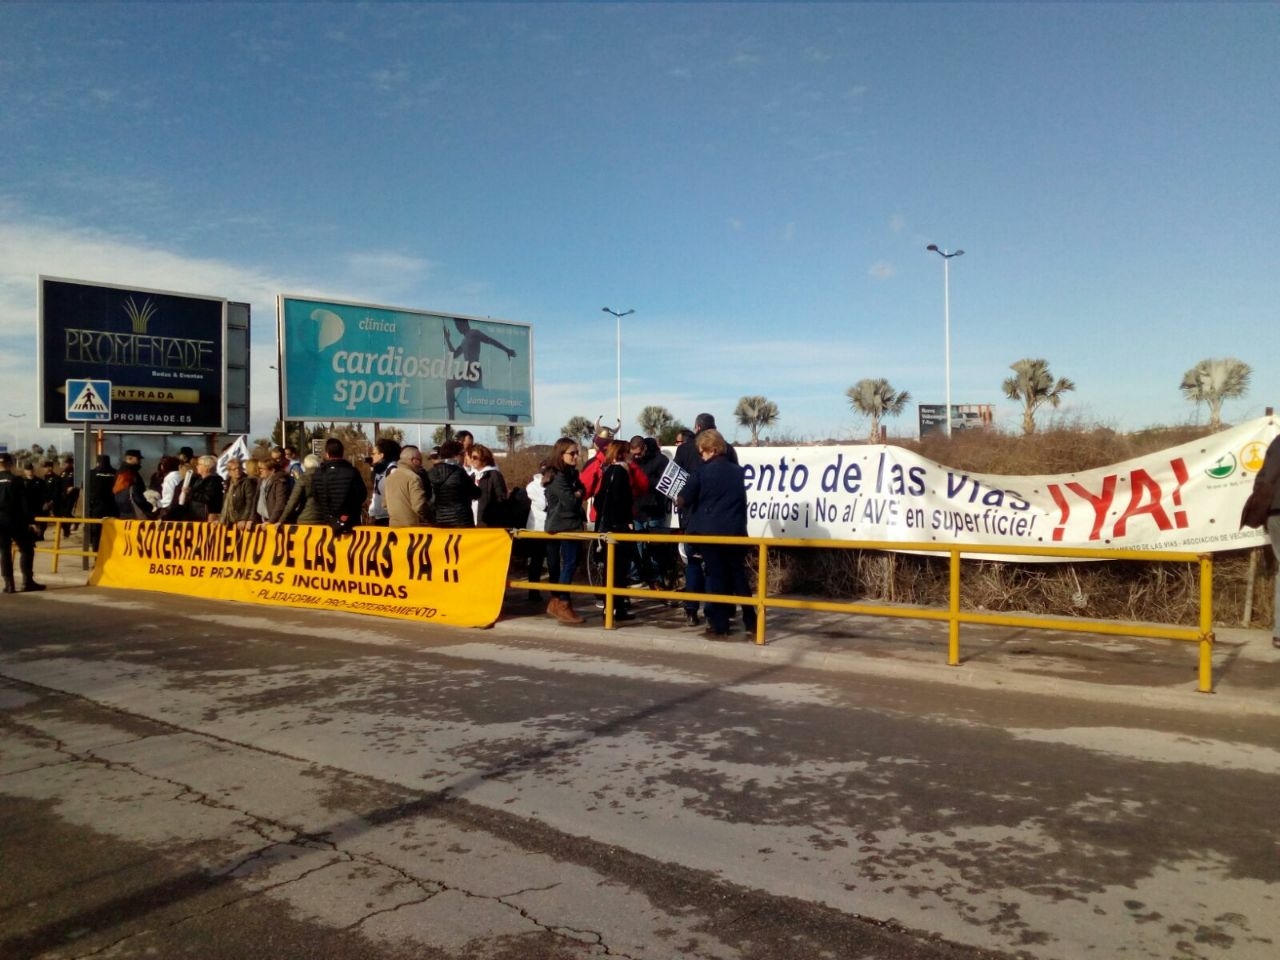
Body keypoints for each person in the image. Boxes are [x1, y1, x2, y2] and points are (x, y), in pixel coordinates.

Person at [677, 428, 755, 639]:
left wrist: (679, 500)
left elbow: (684, 498)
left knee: (717, 578)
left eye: (701, 452)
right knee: (739, 577)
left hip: (710, 533)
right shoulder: (737, 472)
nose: (701, 455)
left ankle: (720, 625)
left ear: (709, 449)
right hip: (736, 531)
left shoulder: (701, 472)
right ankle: (751, 621)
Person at [674, 413, 737, 627]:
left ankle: (691, 610)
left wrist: (680, 501)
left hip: (691, 518)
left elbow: (673, 481)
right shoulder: (727, 449)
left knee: (693, 564)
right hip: (720, 519)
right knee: (715, 567)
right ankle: (714, 612)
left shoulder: (684, 449)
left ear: (697, 427)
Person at [543, 436, 587, 625]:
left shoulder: (570, 474)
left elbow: (582, 489)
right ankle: (562, 602)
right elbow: (570, 501)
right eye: (572, 453)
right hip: (561, 524)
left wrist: (578, 492)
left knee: (569, 563)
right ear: (561, 454)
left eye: (577, 453)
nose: (576, 456)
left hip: (569, 523)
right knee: (566, 563)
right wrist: (577, 494)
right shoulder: (558, 476)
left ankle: (559, 600)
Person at [593, 439, 637, 622]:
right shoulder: (620, 472)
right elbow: (620, 500)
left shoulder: (608, 471)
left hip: (606, 527)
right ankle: (616, 608)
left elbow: (598, 499)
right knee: (618, 570)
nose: (631, 455)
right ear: (622, 453)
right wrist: (625, 520)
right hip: (617, 528)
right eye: (628, 451)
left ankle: (609, 608)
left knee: (610, 570)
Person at [443, 318, 516, 421]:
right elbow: (454, 355)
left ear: (465, 323)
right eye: (456, 325)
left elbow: (490, 340)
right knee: (483, 400)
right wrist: (448, 339)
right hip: (469, 371)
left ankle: (451, 418)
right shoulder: (464, 341)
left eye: (459, 324)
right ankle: (510, 414)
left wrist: (506, 350)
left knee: (449, 384)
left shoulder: (474, 333)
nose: (458, 328)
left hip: (474, 370)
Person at [283, 439, 366, 529]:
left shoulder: (319, 473)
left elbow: (316, 496)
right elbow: (361, 495)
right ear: (342, 452)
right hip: (350, 522)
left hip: (325, 521)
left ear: (327, 454)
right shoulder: (352, 471)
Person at [631, 435, 676, 588]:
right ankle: (637, 577)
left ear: (644, 448)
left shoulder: (661, 460)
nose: (636, 456)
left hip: (655, 510)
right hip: (637, 511)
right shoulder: (632, 462)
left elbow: (666, 483)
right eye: (633, 454)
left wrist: (644, 481)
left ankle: (657, 579)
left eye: (638, 453)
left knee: (656, 548)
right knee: (636, 546)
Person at [0, 452, 45, 593]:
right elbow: (24, 503)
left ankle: (9, 584)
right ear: (10, 464)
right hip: (15, 520)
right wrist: (31, 521)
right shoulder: (16, 480)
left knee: (4, 551)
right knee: (26, 548)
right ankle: (27, 582)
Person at [425, 440, 478, 527]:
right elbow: (476, 493)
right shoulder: (460, 473)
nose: (464, 457)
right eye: (462, 454)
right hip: (461, 520)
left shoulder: (430, 473)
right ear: (455, 456)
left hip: (440, 520)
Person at [521, 460, 553, 602]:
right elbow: (543, 505)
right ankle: (533, 592)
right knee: (536, 561)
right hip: (536, 529)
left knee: (553, 561)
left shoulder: (554, 485)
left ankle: (555, 593)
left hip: (551, 528)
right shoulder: (532, 487)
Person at [385, 445, 432, 527]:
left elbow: (385, 504)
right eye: (420, 460)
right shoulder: (414, 478)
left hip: (393, 527)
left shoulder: (389, 478)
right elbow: (419, 506)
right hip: (411, 528)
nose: (421, 464)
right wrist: (431, 518)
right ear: (414, 460)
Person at [469, 443, 508, 526]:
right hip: (472, 522)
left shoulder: (494, 475)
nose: (472, 460)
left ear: (484, 458)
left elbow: (501, 499)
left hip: (489, 523)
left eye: (475, 457)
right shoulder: (471, 476)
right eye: (471, 457)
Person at [367, 437, 402, 526]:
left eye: (374, 453)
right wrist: (372, 512)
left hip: (389, 518)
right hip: (379, 517)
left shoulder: (393, 470)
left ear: (382, 455)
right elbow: (376, 494)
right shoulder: (379, 470)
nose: (372, 456)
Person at [86, 454, 117, 550]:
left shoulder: (91, 473)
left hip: (96, 508)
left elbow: (86, 490)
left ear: (97, 462)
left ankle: (97, 557)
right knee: (112, 532)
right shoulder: (115, 473)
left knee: (96, 533)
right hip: (113, 507)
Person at [113, 450, 154, 520]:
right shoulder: (130, 474)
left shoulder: (120, 472)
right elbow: (135, 495)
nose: (140, 461)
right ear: (130, 458)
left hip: (123, 511)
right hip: (134, 511)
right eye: (138, 459)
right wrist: (148, 506)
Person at [220, 458, 259, 529]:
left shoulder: (247, 482)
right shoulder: (228, 483)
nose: (237, 471)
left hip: (241, 521)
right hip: (230, 520)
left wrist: (244, 519)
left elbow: (250, 502)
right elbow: (225, 502)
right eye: (234, 469)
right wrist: (221, 518)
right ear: (229, 472)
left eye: (239, 468)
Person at [186, 455, 225, 522]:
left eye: (199, 464)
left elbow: (208, 497)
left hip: (208, 515)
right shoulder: (199, 479)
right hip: (196, 514)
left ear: (207, 467)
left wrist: (191, 493)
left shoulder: (214, 481)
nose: (197, 466)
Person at [256, 458, 291, 524]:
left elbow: (280, 503)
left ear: (272, 470)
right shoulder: (261, 481)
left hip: (275, 522)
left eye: (262, 469)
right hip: (263, 519)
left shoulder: (280, 482)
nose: (260, 471)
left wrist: (271, 521)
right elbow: (255, 500)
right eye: (259, 468)